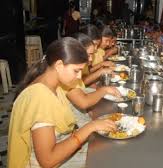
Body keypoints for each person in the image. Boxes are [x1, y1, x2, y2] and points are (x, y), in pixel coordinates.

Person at [8, 37, 117, 168]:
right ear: (59, 65)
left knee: (105, 147)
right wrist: (90, 127)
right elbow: (47, 160)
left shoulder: (52, 84)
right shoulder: (41, 98)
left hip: (56, 148)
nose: (78, 77)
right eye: (76, 71)